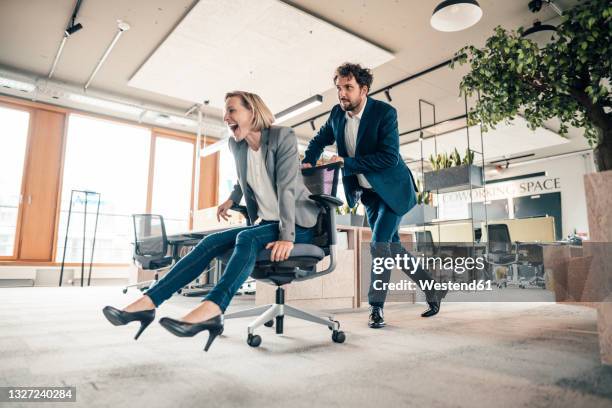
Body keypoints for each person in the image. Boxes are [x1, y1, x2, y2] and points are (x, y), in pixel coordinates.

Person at [103, 91, 321, 351]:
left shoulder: (282, 136)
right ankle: (149, 303)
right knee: (211, 241)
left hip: (299, 225)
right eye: (225, 113)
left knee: (246, 236)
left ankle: (213, 308)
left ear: (252, 111)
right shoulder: (236, 144)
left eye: (232, 111)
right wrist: (232, 198)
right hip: (268, 224)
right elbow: (246, 178)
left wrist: (287, 237)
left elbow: (286, 187)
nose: (226, 118)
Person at [302, 63, 445, 329]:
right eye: (338, 88)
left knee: (379, 245)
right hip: (368, 194)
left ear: (363, 90)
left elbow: (389, 157)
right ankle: (433, 288)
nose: (342, 94)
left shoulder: (384, 113)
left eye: (348, 88)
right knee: (393, 248)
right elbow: (317, 141)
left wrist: (346, 162)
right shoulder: (337, 114)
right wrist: (309, 161)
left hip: (393, 190)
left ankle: (376, 308)